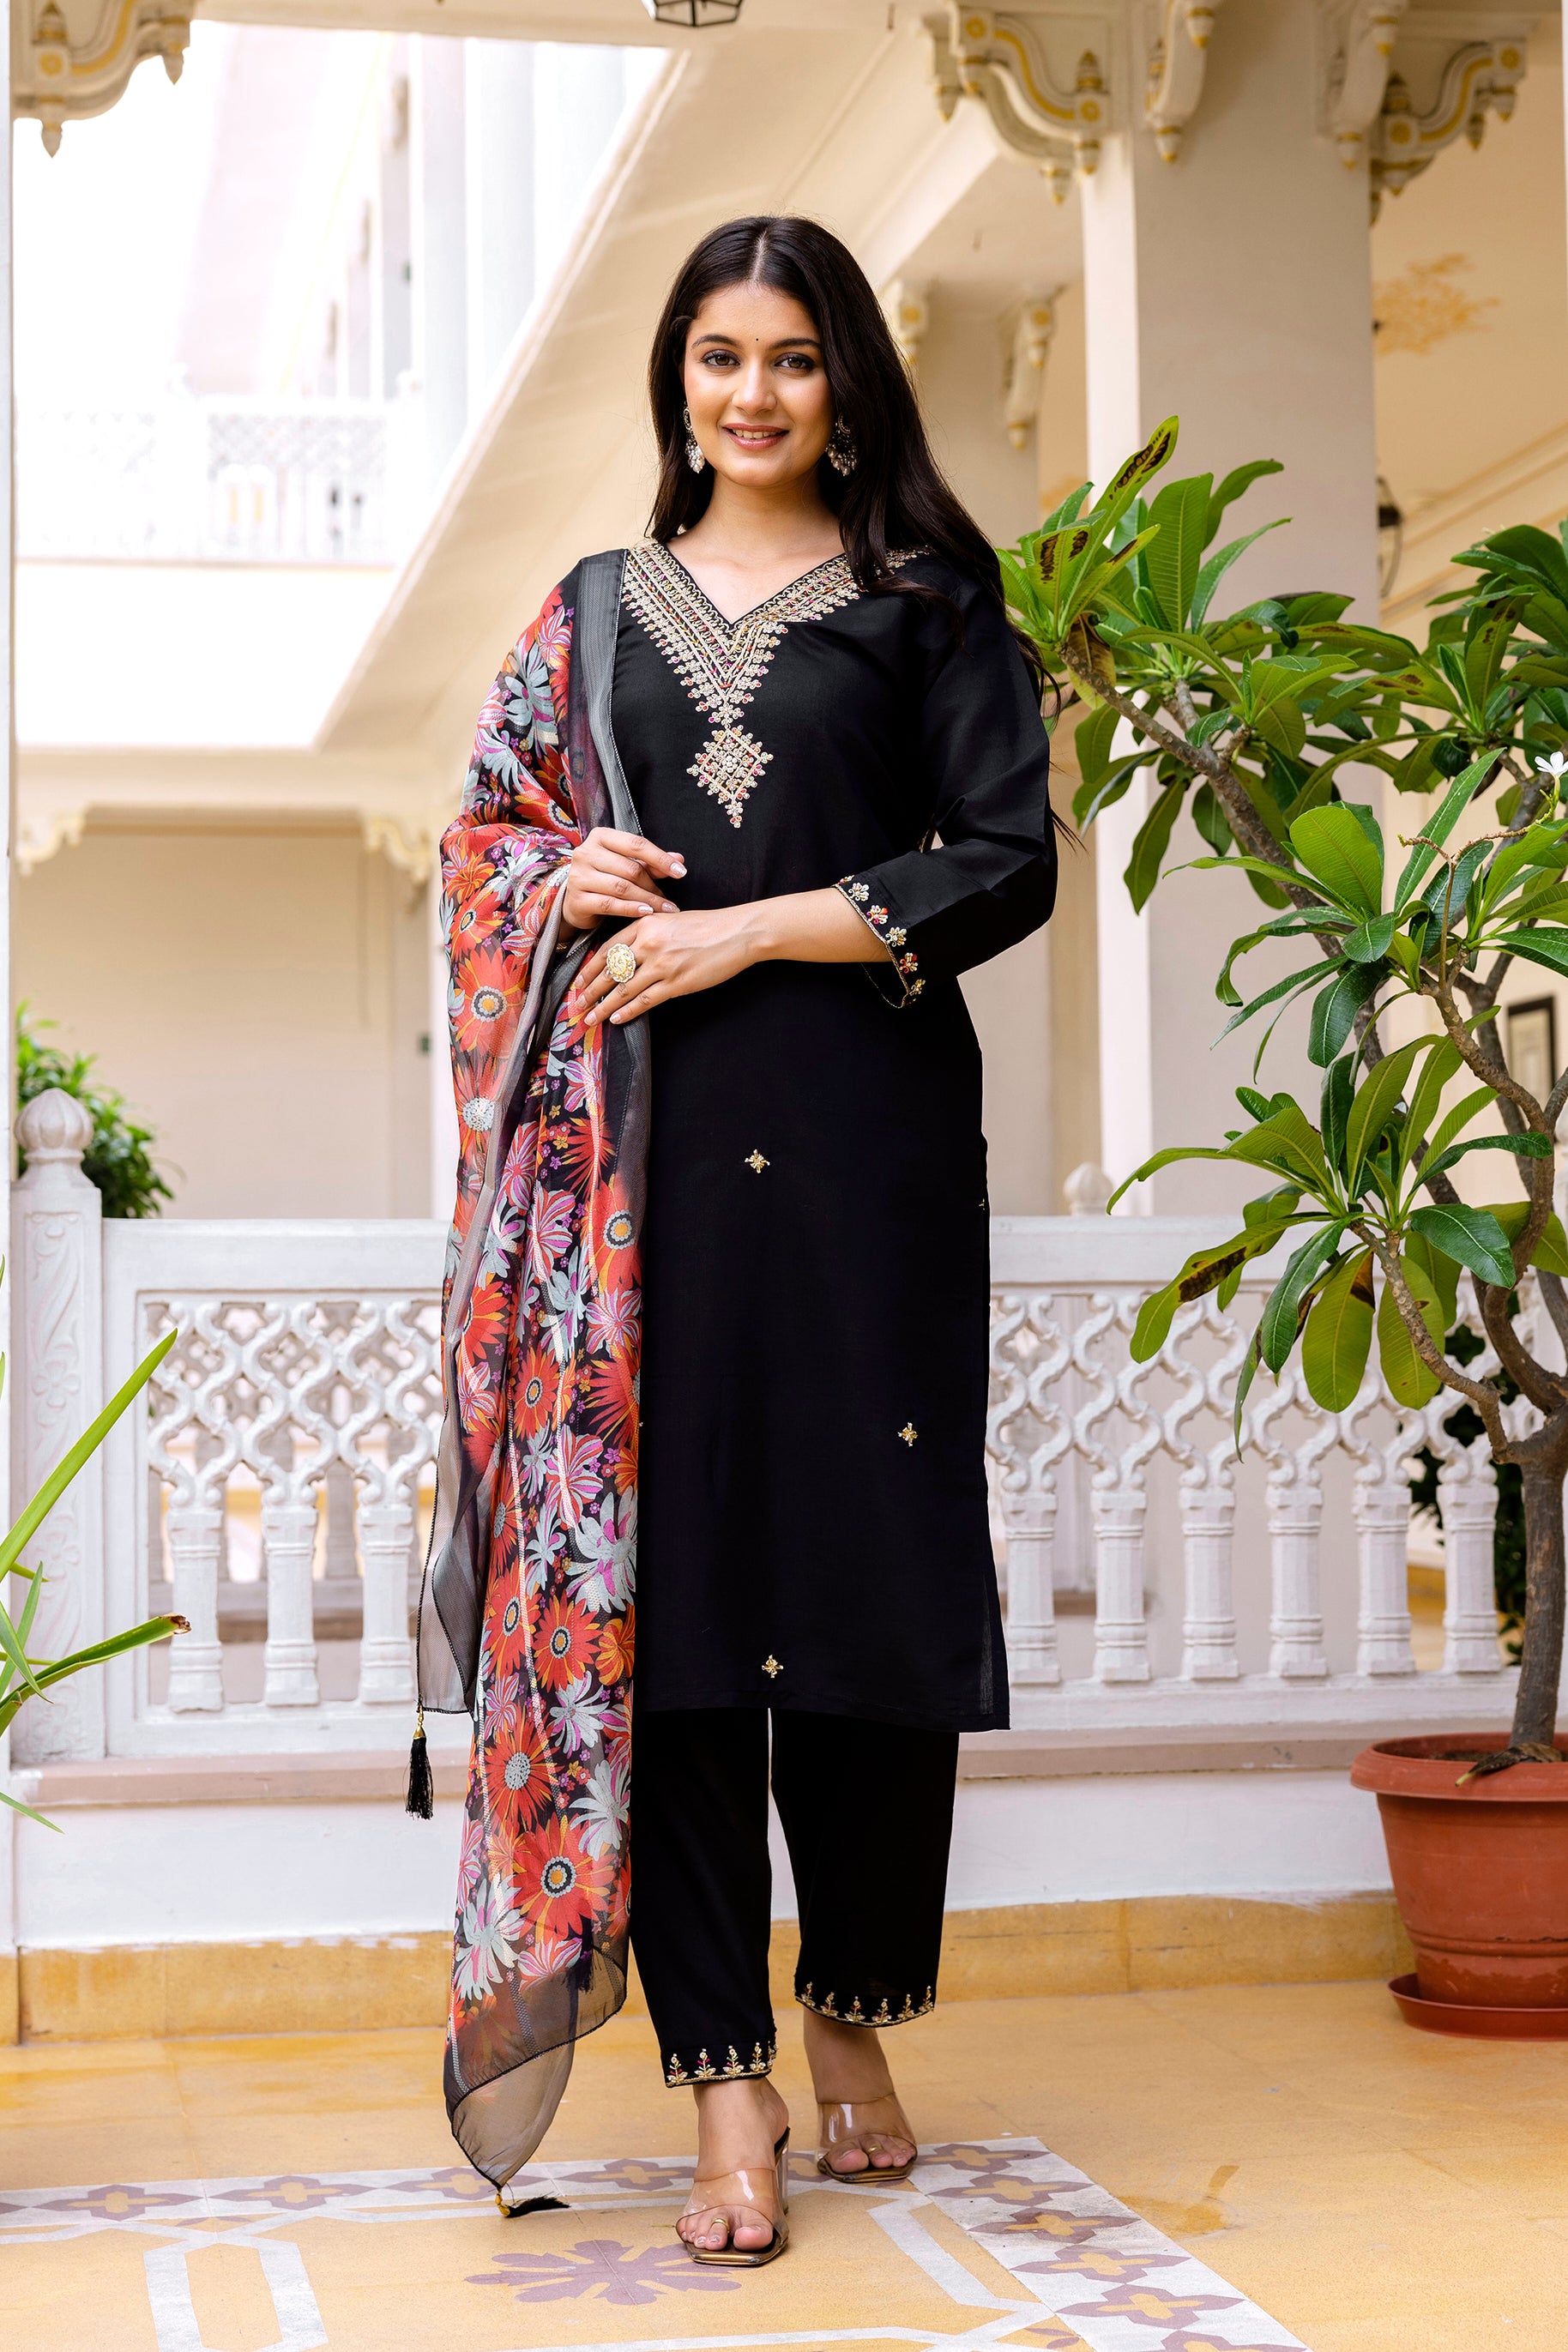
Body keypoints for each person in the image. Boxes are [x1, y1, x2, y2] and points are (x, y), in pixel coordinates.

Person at [416, 213, 1058, 2271]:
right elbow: (485, 839)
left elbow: (998, 863)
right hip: (645, 1190)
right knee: (674, 1623)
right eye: (717, 357)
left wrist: (737, 930)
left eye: (791, 358)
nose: (753, 394)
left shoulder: (931, 599)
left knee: (865, 1604)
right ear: (675, 377)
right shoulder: (591, 607)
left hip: (864, 1158)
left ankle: (855, 2011)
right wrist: (568, 872)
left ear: (846, 378)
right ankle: (724, 2083)